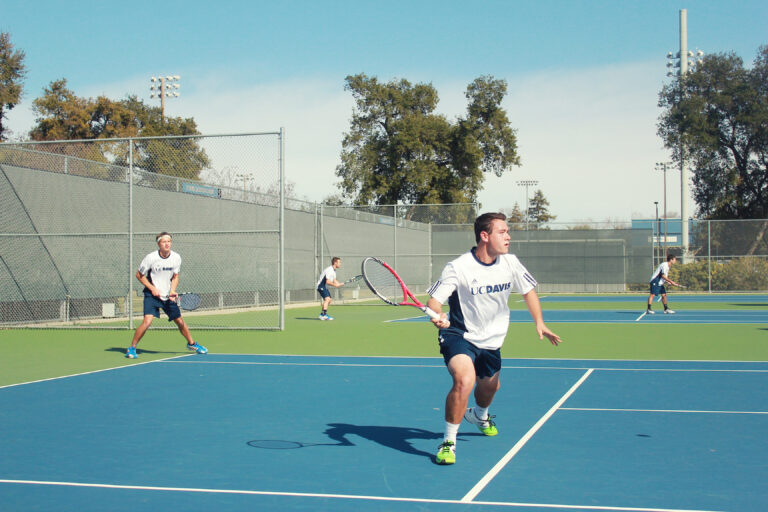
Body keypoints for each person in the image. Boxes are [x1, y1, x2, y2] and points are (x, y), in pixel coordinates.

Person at [426, 212, 561, 465]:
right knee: (464, 381)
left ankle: (479, 415)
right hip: (459, 334)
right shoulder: (458, 266)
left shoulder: (510, 263)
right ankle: (448, 443)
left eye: (508, 231)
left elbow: (529, 291)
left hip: (492, 340)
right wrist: (437, 314)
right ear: (484, 236)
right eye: (503, 232)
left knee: (489, 388)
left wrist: (539, 322)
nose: (508, 236)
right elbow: (434, 301)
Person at [125, 232, 208, 358]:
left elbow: (175, 276)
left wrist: (173, 290)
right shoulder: (151, 258)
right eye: (164, 241)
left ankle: (192, 344)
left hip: (167, 296)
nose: (167, 243)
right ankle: (132, 348)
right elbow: (139, 275)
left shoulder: (176, 258)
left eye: (169, 241)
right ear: (159, 244)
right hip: (152, 295)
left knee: (179, 321)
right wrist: (152, 288)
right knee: (147, 322)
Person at [316, 256, 344, 320]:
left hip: (324, 286)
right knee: (327, 299)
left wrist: (339, 284)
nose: (340, 264)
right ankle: (324, 315)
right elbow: (327, 281)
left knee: (329, 300)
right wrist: (335, 285)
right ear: (335, 263)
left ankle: (322, 315)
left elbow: (334, 280)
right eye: (339, 262)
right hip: (321, 286)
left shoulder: (334, 271)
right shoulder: (330, 270)